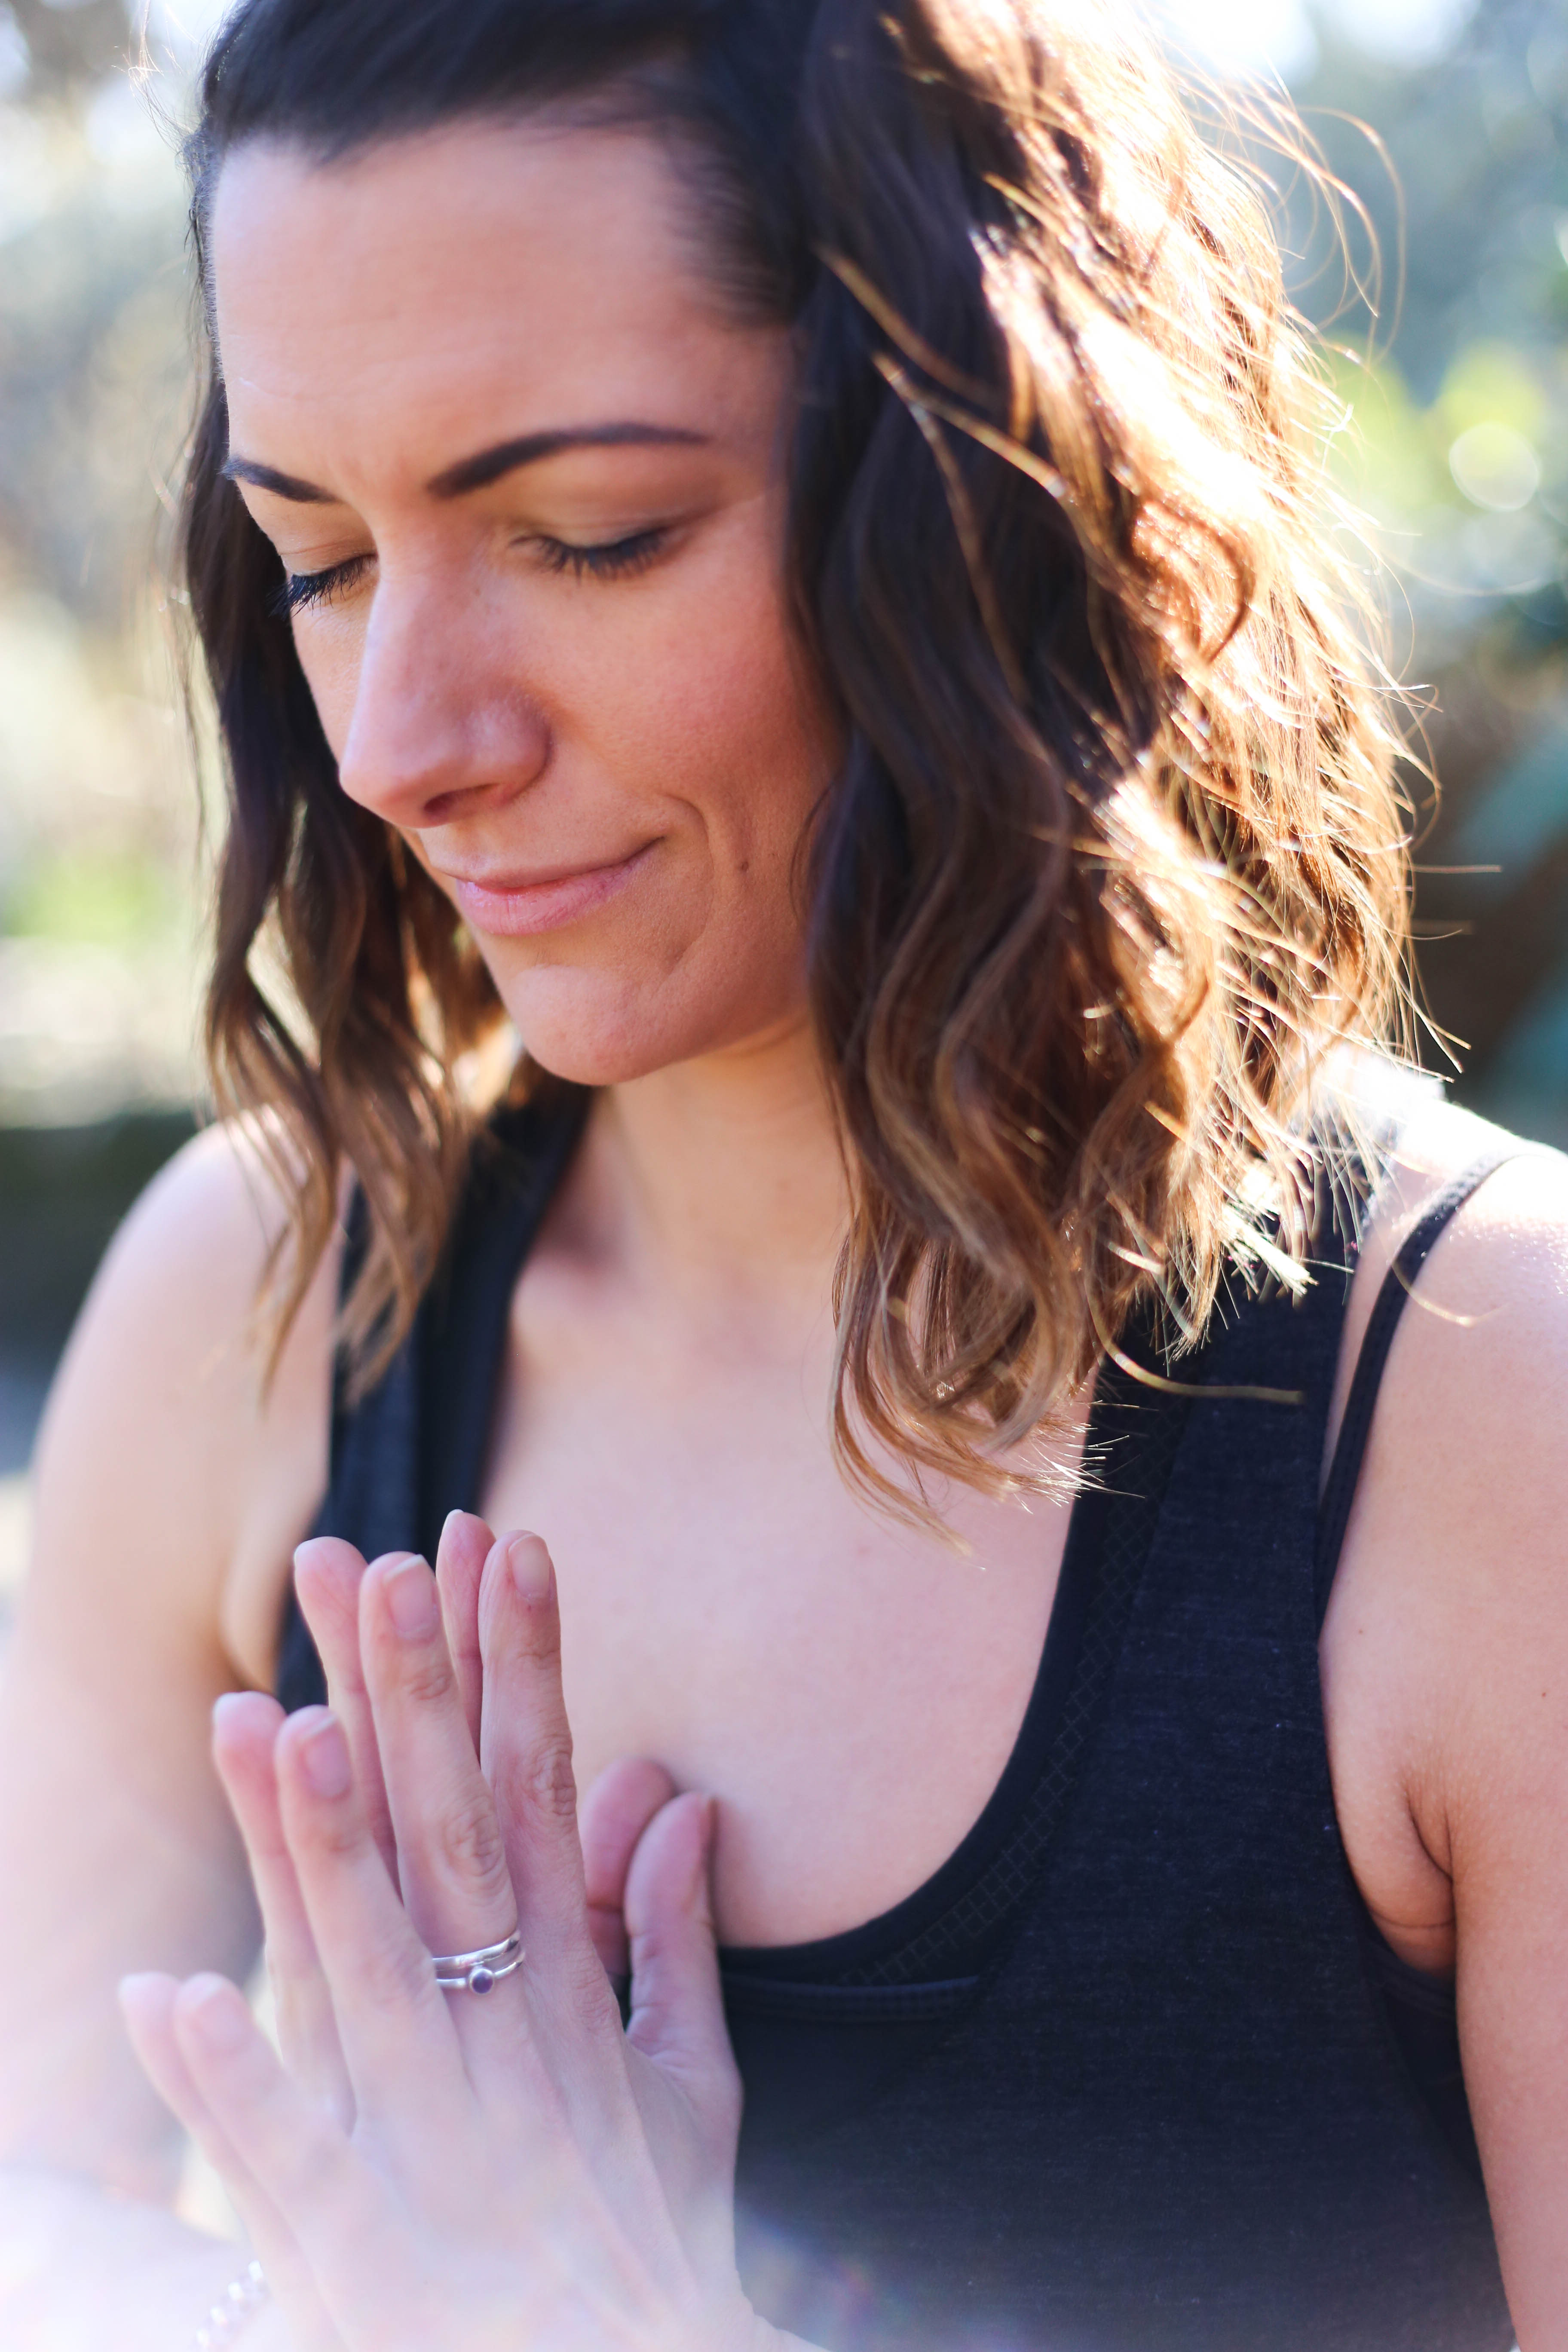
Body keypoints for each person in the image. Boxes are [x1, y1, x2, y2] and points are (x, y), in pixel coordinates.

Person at [2, 0, 1566, 2343]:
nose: (409, 745)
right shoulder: (249, 1305)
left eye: (587, 534)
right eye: (316, 559)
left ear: (985, 489)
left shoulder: (1488, 1412)